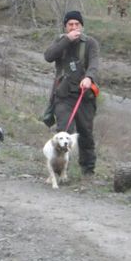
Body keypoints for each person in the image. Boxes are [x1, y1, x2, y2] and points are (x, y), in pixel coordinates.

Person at [44, 10, 100, 176]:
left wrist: (89, 77)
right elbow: (48, 56)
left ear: (82, 26)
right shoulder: (60, 41)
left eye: (77, 24)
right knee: (64, 132)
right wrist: (66, 40)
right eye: (70, 25)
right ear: (66, 26)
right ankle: (60, 168)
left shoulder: (90, 43)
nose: (74, 27)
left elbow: (94, 64)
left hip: (84, 96)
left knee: (85, 133)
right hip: (63, 96)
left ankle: (88, 170)